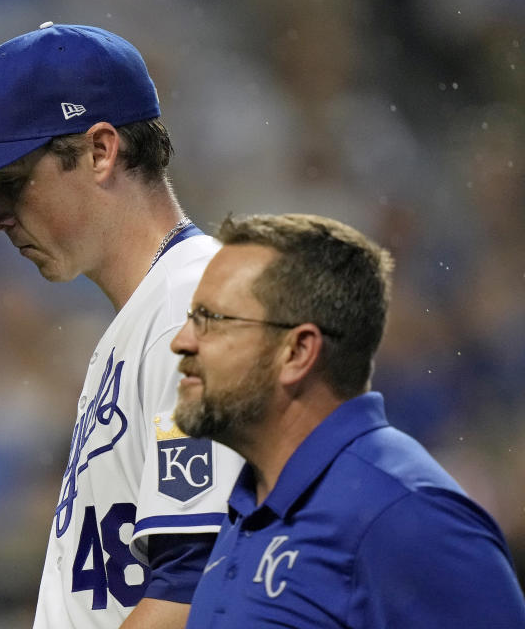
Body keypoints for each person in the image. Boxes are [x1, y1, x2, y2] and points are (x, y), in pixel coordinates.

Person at [0, 22, 243, 629]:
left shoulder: (195, 305)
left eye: (11, 182)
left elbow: (192, 594)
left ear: (100, 150)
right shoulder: (143, 317)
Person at [169, 213, 525, 628]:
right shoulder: (249, 505)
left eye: (212, 320)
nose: (182, 342)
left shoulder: (406, 515)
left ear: (297, 352)